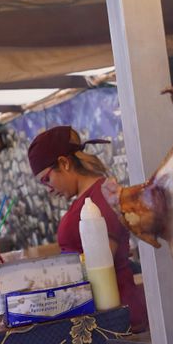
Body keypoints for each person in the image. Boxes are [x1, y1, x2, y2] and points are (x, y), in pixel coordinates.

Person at [28, 126, 148, 331]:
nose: (48, 189)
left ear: (64, 163)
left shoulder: (99, 199)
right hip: (109, 312)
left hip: (116, 315)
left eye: (46, 179)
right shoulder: (92, 198)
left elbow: (102, 262)